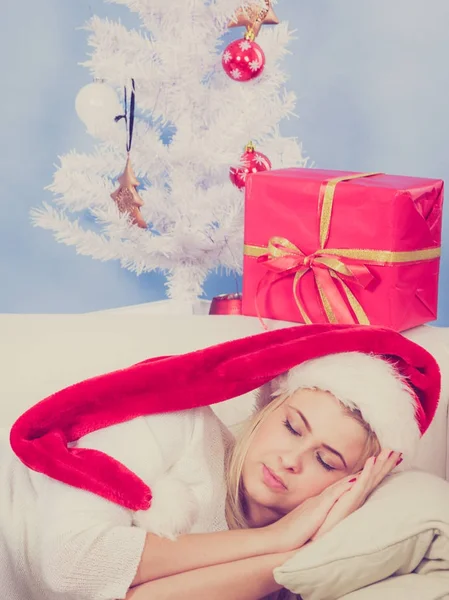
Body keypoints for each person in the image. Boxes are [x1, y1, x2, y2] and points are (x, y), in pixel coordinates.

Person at [1, 324, 440, 600]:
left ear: (351, 484)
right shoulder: (174, 418)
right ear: (268, 407)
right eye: (292, 427)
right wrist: (279, 537)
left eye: (325, 460)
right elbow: (71, 566)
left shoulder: (293, 567)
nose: (291, 460)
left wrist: (302, 555)